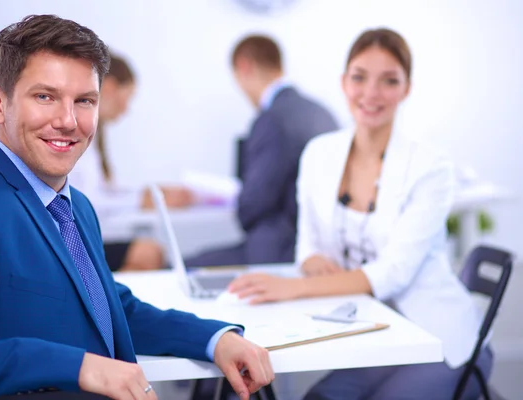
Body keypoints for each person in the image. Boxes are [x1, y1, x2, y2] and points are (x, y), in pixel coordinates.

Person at [0, 14, 273, 400]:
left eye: (84, 101)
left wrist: (214, 339)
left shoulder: (76, 206)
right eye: (45, 96)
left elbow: (108, 307)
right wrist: (79, 366)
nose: (68, 121)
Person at [228, 28, 491, 399]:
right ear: (343, 82)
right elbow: (309, 247)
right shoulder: (319, 154)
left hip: (440, 339)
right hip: (374, 334)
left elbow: (392, 274)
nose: (371, 93)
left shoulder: (432, 167)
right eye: (360, 77)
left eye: (389, 80)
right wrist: (315, 263)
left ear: (406, 88)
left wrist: (294, 288)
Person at [186, 34, 338, 267]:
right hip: (319, 251)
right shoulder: (322, 113)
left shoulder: (272, 120)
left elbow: (253, 204)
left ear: (244, 66)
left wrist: (240, 200)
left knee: (185, 267)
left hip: (276, 254)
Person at [69, 52, 193, 272]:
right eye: (127, 98)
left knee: (152, 250)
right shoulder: (76, 133)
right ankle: (105, 305)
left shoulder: (93, 135)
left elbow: (101, 191)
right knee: (149, 253)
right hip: (70, 241)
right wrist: (143, 199)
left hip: (84, 232)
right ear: (110, 88)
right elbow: (92, 202)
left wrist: (148, 194)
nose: (126, 109)